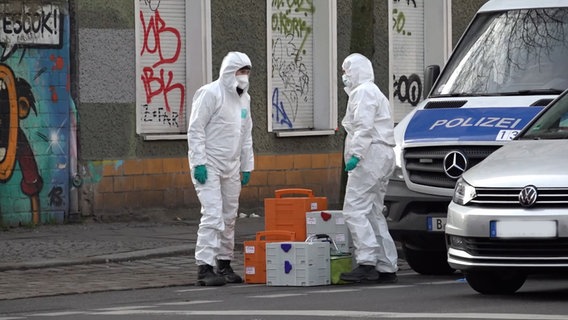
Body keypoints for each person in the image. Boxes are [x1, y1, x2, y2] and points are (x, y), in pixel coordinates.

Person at [187, 51, 254, 286]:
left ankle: (224, 263)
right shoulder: (210, 94)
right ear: (228, 72)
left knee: (229, 216)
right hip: (210, 165)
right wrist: (199, 163)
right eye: (240, 72)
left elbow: (246, 135)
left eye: (246, 72)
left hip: (232, 166)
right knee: (213, 214)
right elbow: (195, 129)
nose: (243, 76)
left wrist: (247, 165)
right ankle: (204, 267)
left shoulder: (244, 99)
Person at [338, 53, 398, 284]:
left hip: (370, 156)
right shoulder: (371, 91)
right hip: (380, 156)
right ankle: (386, 265)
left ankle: (366, 262)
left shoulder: (363, 92)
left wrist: (355, 155)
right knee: (372, 212)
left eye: (346, 70)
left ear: (356, 71)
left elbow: (363, 127)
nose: (344, 76)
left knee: (354, 210)